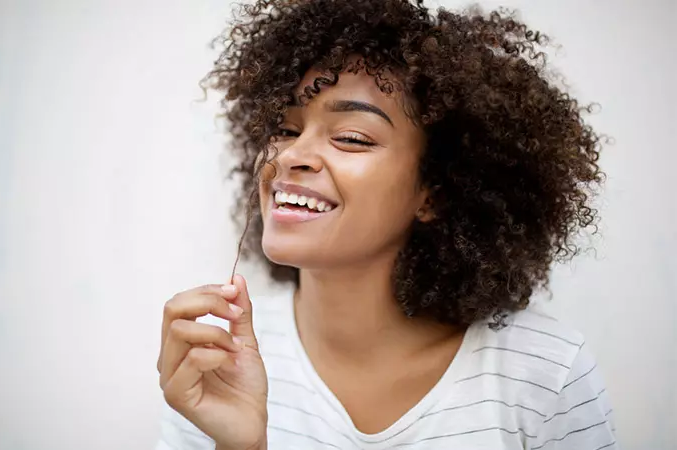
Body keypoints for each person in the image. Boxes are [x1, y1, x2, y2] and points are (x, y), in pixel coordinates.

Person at [155, 0, 617, 449]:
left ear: (434, 191)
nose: (290, 156)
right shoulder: (217, 362)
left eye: (351, 138)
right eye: (285, 129)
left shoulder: (545, 373)